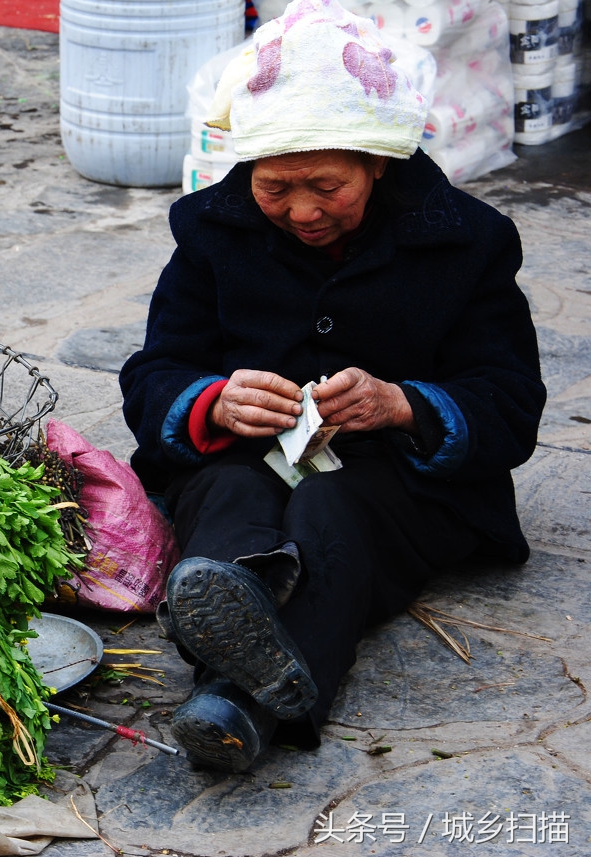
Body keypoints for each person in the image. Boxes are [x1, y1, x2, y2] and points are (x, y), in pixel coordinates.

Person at [118, 0, 546, 773]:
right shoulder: (212, 234)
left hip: (400, 477)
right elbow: (154, 376)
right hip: (245, 456)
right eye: (275, 187)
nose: (303, 210)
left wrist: (403, 404)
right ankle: (234, 635)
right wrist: (214, 401)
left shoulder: (467, 242)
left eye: (326, 184)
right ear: (247, 169)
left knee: (330, 506)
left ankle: (236, 694)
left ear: (376, 161)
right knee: (232, 496)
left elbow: (510, 401)